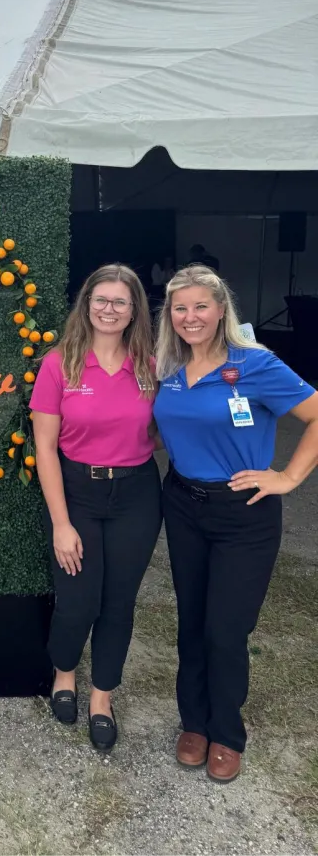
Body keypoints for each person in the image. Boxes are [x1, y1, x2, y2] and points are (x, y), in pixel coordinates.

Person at [154, 265, 318, 782]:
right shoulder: (169, 369)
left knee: (225, 628)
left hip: (243, 510)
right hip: (182, 502)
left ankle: (226, 732)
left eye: (201, 306)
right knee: (192, 621)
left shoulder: (256, 364)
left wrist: (288, 477)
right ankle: (194, 723)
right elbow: (164, 429)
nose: (190, 317)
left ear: (222, 310)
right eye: (180, 308)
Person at [30, 264, 160, 751]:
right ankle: (65, 672)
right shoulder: (59, 363)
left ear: (133, 311)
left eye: (120, 302)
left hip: (137, 495)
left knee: (118, 603)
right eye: (100, 299)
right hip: (76, 492)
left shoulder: (152, 364)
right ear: (86, 305)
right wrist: (61, 523)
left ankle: (102, 695)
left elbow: (175, 422)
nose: (109, 309)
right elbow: (44, 447)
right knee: (78, 601)